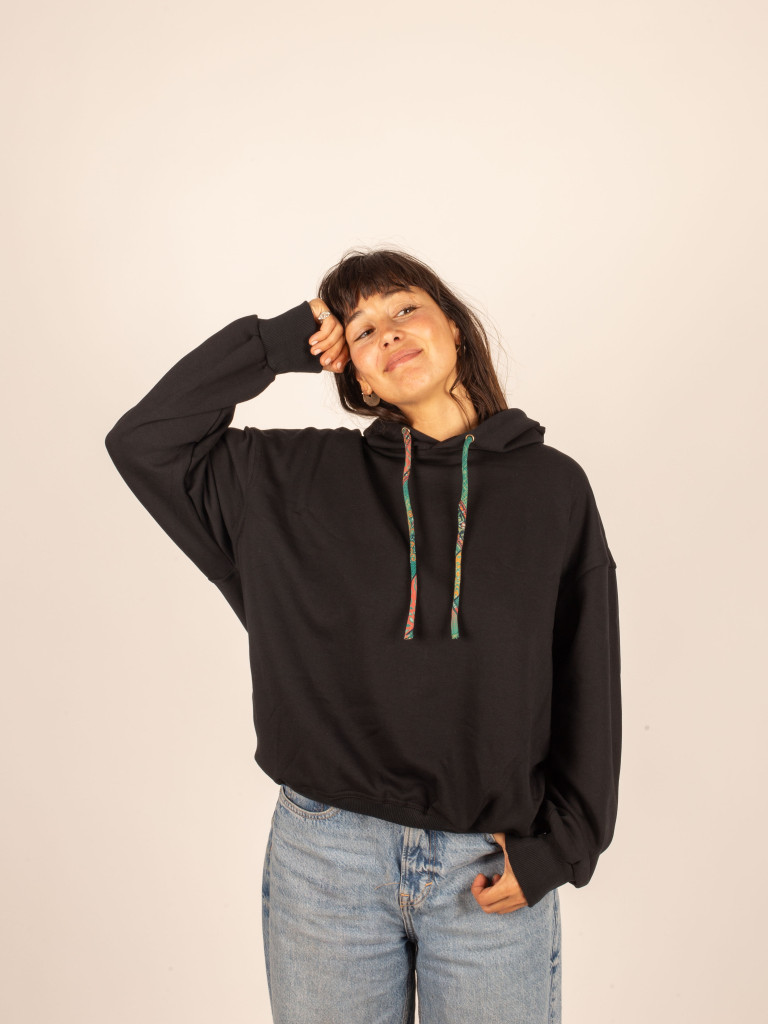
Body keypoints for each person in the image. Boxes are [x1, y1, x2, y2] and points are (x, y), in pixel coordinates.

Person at [104, 246, 622, 1024]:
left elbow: (588, 675)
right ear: (356, 377)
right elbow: (146, 441)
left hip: (488, 863)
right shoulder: (290, 481)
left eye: (405, 308)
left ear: (454, 327)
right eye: (363, 329)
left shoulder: (553, 488)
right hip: (327, 862)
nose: (389, 332)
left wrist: (564, 847)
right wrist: (271, 346)